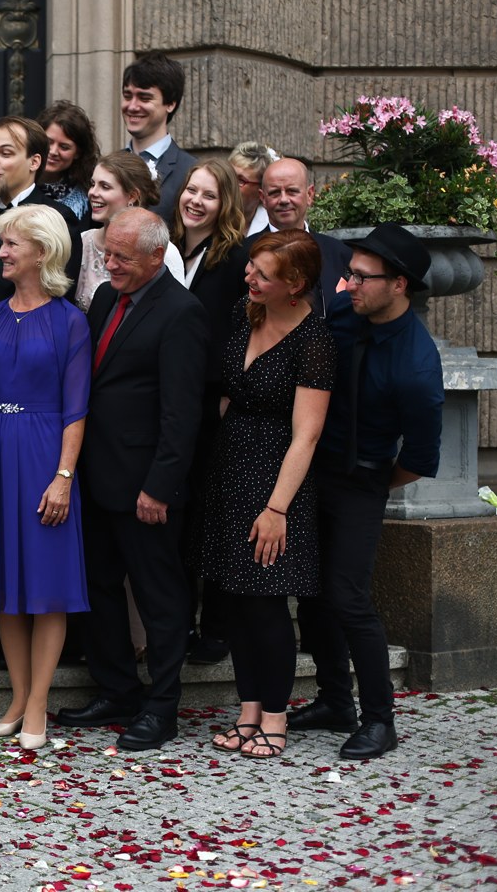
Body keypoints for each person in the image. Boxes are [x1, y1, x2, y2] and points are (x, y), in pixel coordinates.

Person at [289, 224, 443, 761]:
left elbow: (420, 461)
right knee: (310, 592)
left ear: (398, 285)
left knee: (348, 597)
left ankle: (380, 719)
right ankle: (336, 701)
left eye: (361, 276)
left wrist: (371, 482)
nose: (348, 282)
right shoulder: (341, 318)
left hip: (363, 481)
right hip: (312, 470)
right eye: (349, 271)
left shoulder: (418, 367)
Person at [56, 209, 207, 751]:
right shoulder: (102, 300)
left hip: (146, 488)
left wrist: (159, 487)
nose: (108, 264)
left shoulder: (182, 312)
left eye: (120, 256)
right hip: (96, 477)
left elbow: (181, 413)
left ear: (155, 256)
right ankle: (117, 689)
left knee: (159, 598)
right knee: (98, 588)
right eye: (106, 253)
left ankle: (162, 708)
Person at [0, 204, 90, 750]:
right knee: (5, 587)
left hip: (43, 455)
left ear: (42, 251)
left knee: (47, 588)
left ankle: (38, 705)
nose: (1, 253)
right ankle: (16, 697)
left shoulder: (69, 321)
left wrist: (63, 477)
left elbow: (77, 409)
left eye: (11, 244)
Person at [196, 231, 335, 759]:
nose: (249, 277)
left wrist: (277, 509)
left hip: (278, 480)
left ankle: (274, 718)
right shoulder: (245, 312)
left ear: (294, 284)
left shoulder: (314, 340)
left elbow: (307, 434)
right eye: (251, 267)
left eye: (262, 273)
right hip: (232, 467)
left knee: (267, 601)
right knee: (233, 598)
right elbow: (230, 390)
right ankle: (248, 709)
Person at [171, 157, 250, 666]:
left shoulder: (233, 257)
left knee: (213, 518)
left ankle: (216, 629)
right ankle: (181, 624)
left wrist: (227, 394)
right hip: (178, 401)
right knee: (183, 521)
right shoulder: (173, 250)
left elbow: (242, 330)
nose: (195, 201)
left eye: (208, 195)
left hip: (213, 405)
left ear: (225, 206)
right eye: (191, 191)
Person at [0, 116, 83, 364]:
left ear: (34, 161)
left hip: (29, 364)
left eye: (5, 153)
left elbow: (59, 299)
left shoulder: (58, 219)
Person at [75, 151, 185, 312]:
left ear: (132, 196)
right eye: (93, 184)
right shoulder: (81, 242)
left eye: (105, 186)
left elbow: (175, 311)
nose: (93, 192)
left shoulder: (162, 252)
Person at [257, 158, 347, 315]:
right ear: (263, 198)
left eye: (292, 191)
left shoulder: (339, 253)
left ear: (310, 195)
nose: (284, 200)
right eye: (274, 193)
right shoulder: (241, 254)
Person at [120, 50, 197, 223]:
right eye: (127, 96)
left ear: (170, 104)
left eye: (144, 98)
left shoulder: (190, 171)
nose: (132, 106)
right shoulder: (107, 166)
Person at [35, 100, 100, 219]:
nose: (53, 152)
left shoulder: (90, 195)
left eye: (64, 147)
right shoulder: (18, 186)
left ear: (78, 153)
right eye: (48, 142)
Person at [228, 141, 277, 236]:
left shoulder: (273, 229)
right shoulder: (209, 219)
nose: (230, 184)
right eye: (229, 176)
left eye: (241, 180)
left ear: (261, 191)